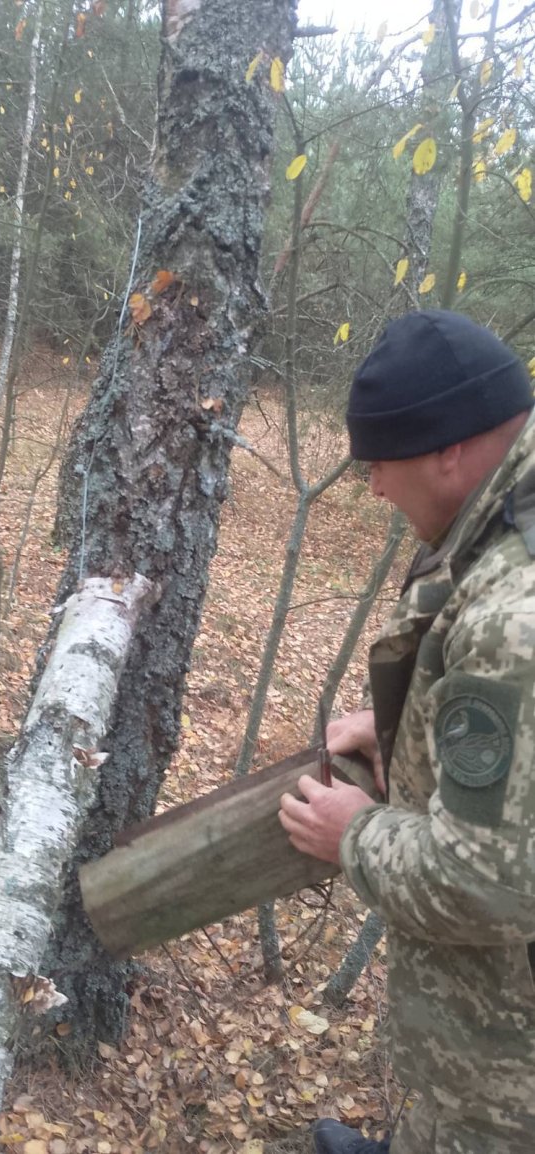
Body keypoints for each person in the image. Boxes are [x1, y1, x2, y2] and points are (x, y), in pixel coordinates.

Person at [278, 309, 535, 1154]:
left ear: (448, 450)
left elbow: (485, 883)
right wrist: (415, 741)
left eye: (379, 466)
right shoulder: (505, 526)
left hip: (507, 1073)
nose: (376, 490)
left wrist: (353, 836)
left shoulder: (511, 616)